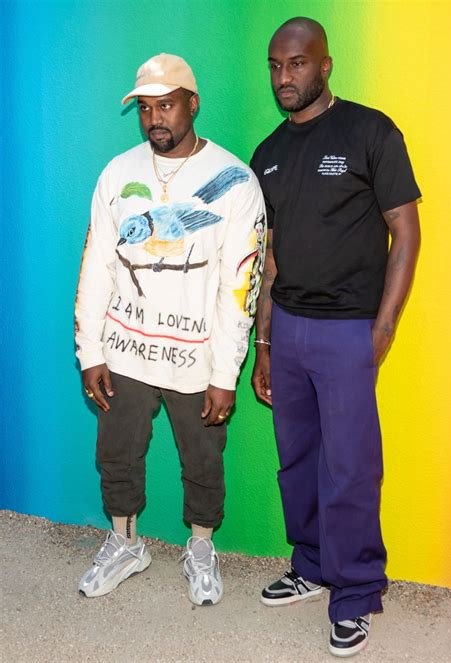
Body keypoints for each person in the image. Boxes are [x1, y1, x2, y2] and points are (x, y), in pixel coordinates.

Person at [250, 17, 420, 657]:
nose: (283, 77)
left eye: (296, 63)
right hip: (288, 328)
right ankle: (311, 564)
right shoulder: (266, 154)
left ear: (325, 65)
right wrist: (263, 344)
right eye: (274, 65)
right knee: (296, 460)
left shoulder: (369, 131)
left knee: (349, 467)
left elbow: (405, 230)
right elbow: (267, 258)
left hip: (349, 330)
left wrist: (384, 324)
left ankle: (354, 592)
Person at [75, 53, 265, 606]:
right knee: (116, 453)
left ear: (193, 103)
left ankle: (201, 548)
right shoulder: (117, 173)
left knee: (203, 459)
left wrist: (227, 370)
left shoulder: (236, 182)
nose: (156, 118)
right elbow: (96, 267)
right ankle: (125, 543)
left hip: (198, 358)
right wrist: (90, 350)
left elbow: (240, 284)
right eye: (146, 108)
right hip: (124, 349)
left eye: (167, 104)